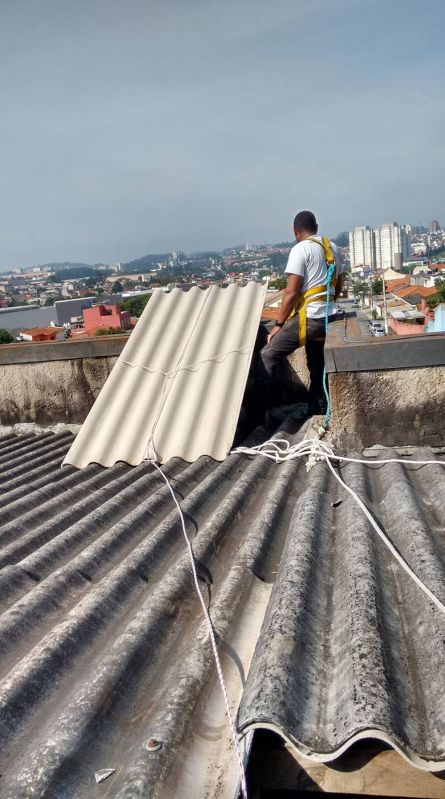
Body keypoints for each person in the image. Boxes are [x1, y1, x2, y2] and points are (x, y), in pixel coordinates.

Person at [259, 210, 343, 415]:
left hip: (313, 317)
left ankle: (262, 412)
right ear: (316, 227)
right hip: (330, 315)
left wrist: (278, 325)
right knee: (316, 363)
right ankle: (317, 408)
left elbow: (291, 292)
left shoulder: (301, 249)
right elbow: (339, 283)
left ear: (296, 232)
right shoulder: (334, 248)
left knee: (267, 354)